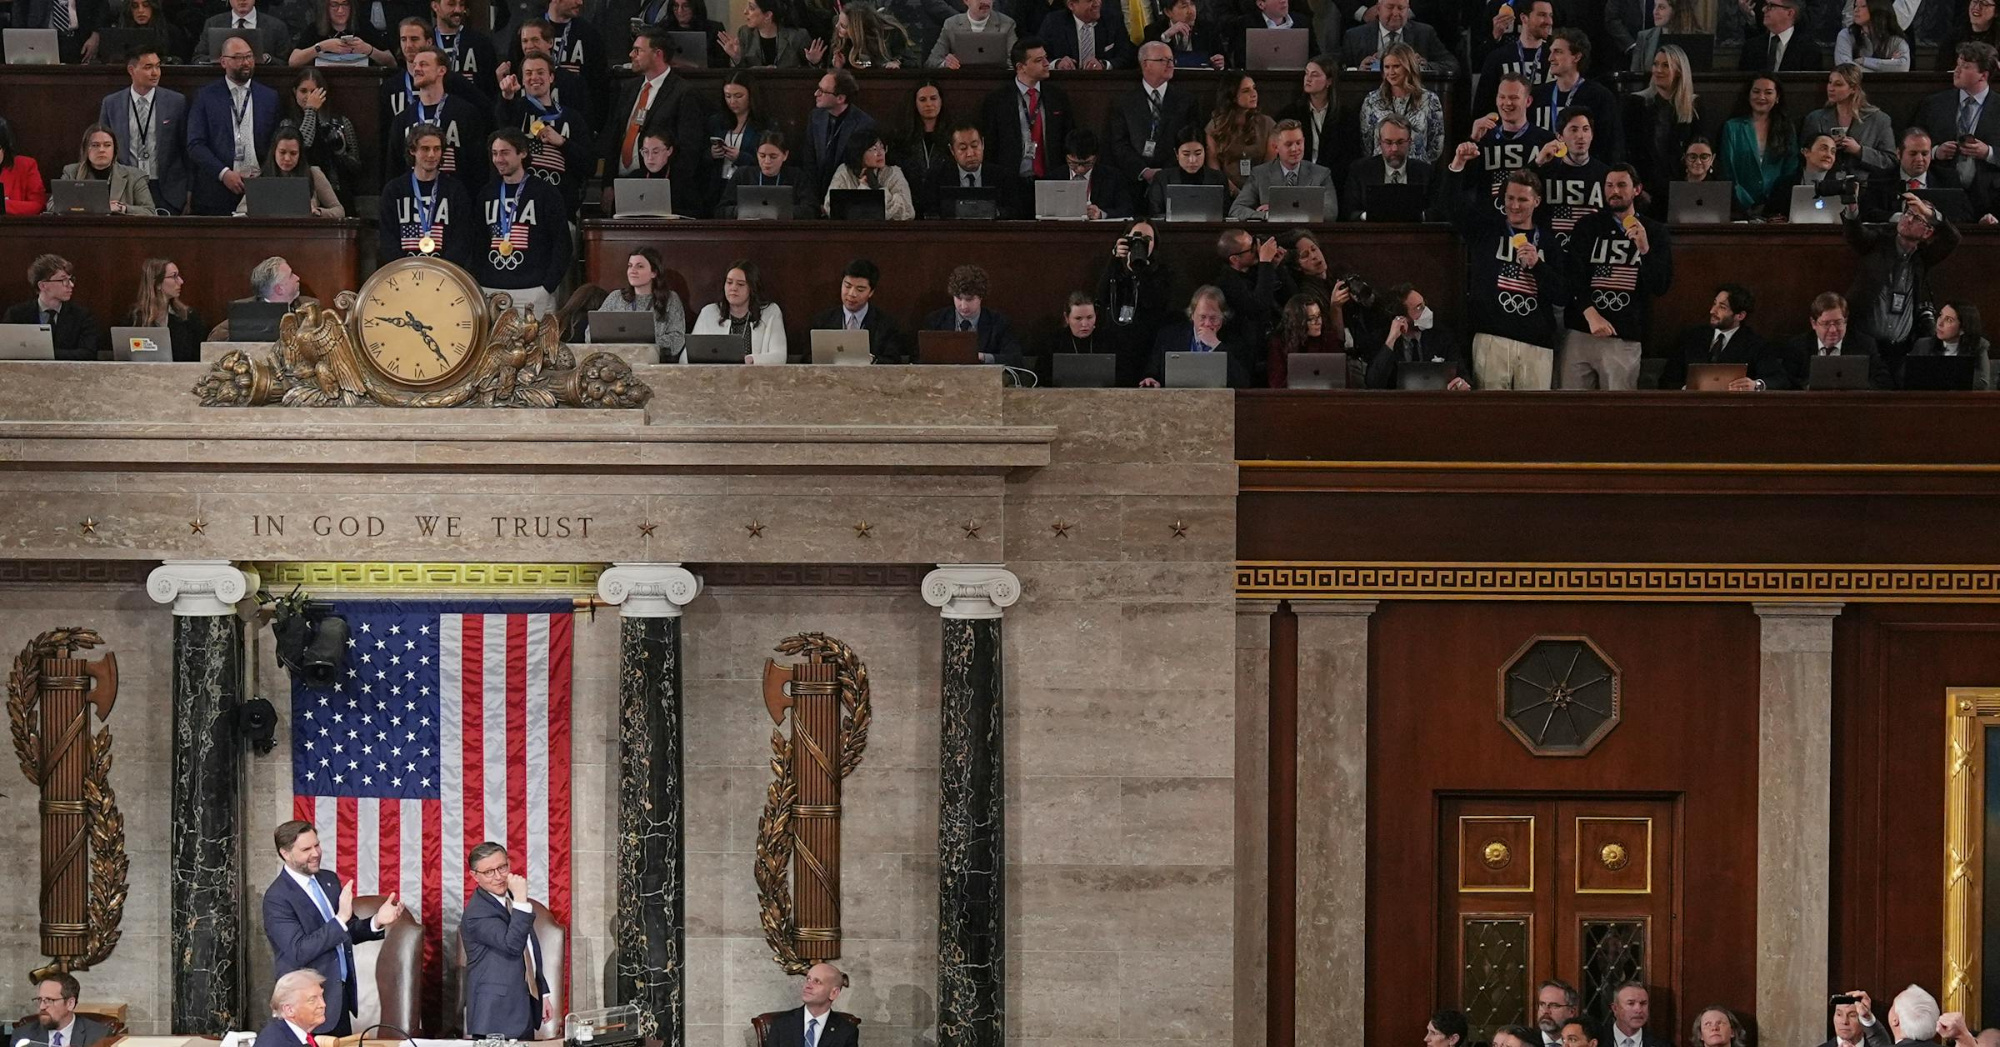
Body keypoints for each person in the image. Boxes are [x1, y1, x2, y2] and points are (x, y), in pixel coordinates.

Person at [262, 820, 403, 1036]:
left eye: (317, 845)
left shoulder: (328, 880)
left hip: (338, 999)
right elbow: (298, 951)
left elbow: (347, 930)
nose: (316, 853)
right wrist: (340, 919)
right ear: (285, 853)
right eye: (306, 849)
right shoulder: (277, 898)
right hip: (305, 1005)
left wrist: (377, 921)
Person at [1441, 155, 1566, 389]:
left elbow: (1561, 295)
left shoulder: (1549, 242)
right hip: (1491, 338)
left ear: (1537, 201)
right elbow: (1452, 207)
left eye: (1522, 199)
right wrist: (1457, 165)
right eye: (1510, 198)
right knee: (1492, 410)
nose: (1515, 206)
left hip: (1536, 343)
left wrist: (1538, 266)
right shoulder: (1487, 230)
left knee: (1535, 411)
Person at [1561, 162, 1671, 389]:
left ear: (1637, 189)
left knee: (1617, 408)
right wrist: (1591, 314)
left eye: (1622, 185)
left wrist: (1645, 250)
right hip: (1581, 330)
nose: (1614, 191)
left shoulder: (1655, 231)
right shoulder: (1587, 225)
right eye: (1609, 185)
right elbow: (1572, 275)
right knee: (1571, 405)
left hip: (1624, 337)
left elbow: (1660, 285)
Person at [1841, 188, 1956, 364]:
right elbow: (1855, 233)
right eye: (1908, 213)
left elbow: (1952, 238)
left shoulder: (1923, 257)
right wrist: (1852, 207)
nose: (1908, 219)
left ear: (1927, 233)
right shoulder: (1878, 242)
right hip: (1865, 346)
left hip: (1901, 349)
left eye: (1917, 218)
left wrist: (1930, 213)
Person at [473, 129, 571, 317]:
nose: (498, 159)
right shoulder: (487, 193)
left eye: (505, 153)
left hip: (534, 291)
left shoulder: (545, 193)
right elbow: (478, 242)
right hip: (490, 290)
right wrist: (480, 280)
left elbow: (562, 244)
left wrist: (547, 287)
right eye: (495, 153)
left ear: (523, 153)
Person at [461, 842, 551, 1039]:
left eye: (502, 867)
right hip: (495, 1016)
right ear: (474, 876)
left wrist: (541, 992)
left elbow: (529, 950)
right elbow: (513, 945)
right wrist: (521, 899)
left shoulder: (511, 901)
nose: (499, 876)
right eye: (489, 872)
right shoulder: (477, 913)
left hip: (523, 1007)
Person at [187, 33, 281, 215]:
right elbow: (195, 144)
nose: (245, 62)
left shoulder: (270, 97)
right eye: (238, 58)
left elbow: (276, 141)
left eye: (249, 56)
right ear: (223, 62)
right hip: (216, 189)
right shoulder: (205, 96)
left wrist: (264, 174)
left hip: (259, 187)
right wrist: (224, 173)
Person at [603, 28, 705, 192]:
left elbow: (689, 149)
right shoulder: (628, 88)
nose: (631, 54)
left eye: (638, 50)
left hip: (659, 185)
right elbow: (615, 137)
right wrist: (608, 184)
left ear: (658, 54)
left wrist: (667, 186)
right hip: (620, 182)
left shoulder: (684, 92)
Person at [496, 51, 594, 216]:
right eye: (528, 73)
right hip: (520, 207)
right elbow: (502, 132)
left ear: (551, 77)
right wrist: (507, 98)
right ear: (522, 80)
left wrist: (563, 142)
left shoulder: (572, 118)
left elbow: (589, 165)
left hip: (560, 207)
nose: (534, 77)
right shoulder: (515, 109)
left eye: (540, 72)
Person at [980, 38, 1070, 214]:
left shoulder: (1057, 96)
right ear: (1021, 67)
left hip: (1050, 182)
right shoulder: (997, 100)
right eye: (1038, 60)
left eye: (1045, 58)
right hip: (1011, 184)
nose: (1046, 63)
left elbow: (1066, 137)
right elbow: (990, 145)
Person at [97, 46, 190, 215]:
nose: (155, 73)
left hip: (166, 190)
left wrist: (188, 192)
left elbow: (186, 148)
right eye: (148, 67)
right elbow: (103, 145)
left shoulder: (176, 102)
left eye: (158, 66)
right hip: (127, 187)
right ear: (131, 70)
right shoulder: (112, 103)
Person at [1107, 42, 1200, 206]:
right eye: (1163, 60)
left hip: (1174, 180)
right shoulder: (1123, 102)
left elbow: (1191, 140)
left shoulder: (1186, 101)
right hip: (1133, 183)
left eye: (1171, 59)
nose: (1170, 64)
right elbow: (1119, 143)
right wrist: (1144, 171)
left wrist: (1165, 172)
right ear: (1145, 64)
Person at [386, 45, 491, 188]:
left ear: (441, 70)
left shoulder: (465, 113)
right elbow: (394, 168)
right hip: (414, 195)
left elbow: (478, 164)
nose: (416, 69)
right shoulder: (402, 119)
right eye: (415, 65)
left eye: (423, 64)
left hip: (455, 195)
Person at [378, 123, 477, 267]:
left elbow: (462, 237)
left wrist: (442, 268)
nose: (431, 155)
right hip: (404, 272)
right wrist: (404, 268)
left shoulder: (455, 190)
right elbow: (387, 238)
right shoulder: (394, 190)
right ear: (412, 150)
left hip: (444, 272)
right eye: (425, 149)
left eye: (437, 149)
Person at [1916, 43, 2000, 195]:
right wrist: (1934, 152)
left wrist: (1988, 152)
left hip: (1991, 194)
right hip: (1942, 190)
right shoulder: (1934, 104)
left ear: (1983, 75)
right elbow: (1912, 139)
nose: (1957, 71)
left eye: (1965, 66)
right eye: (1957, 64)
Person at [1097, 220, 1174, 383]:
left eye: (1148, 239)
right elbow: (1102, 297)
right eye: (1136, 238)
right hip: (1117, 345)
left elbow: (1155, 303)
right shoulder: (1115, 267)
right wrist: (1115, 260)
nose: (1141, 243)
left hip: (1147, 346)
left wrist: (1139, 272)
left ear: (1155, 244)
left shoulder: (1162, 272)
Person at [1661, 283, 1778, 390]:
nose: (1712, 311)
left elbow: (1778, 379)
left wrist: (1756, 385)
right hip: (1691, 404)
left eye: (1722, 307)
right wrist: (1686, 389)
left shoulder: (1756, 344)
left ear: (1740, 316)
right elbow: (1667, 380)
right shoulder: (1691, 337)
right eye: (1714, 303)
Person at [275, 69, 363, 210]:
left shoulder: (340, 121)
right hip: (303, 191)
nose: (309, 97)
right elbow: (303, 144)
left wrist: (340, 152)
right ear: (295, 92)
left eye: (314, 92)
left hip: (337, 189)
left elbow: (356, 165)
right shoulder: (288, 124)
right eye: (303, 91)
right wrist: (310, 110)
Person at [1464, 74, 1556, 206]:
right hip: (1488, 216)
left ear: (1528, 101)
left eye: (1514, 98)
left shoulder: (1546, 141)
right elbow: (1466, 183)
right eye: (1502, 97)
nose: (1507, 103)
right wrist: (1474, 140)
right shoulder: (1483, 138)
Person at [1531, 30, 1620, 161]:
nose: (1550, 58)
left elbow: (1610, 146)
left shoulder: (1600, 97)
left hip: (1583, 171)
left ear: (1577, 57)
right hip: (1544, 169)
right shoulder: (1538, 95)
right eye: (1551, 52)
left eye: (1558, 52)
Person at [1140, 285, 1254, 387]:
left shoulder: (1235, 340)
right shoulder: (1170, 336)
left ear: (1223, 317)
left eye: (1213, 318)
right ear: (1192, 315)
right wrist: (1151, 379)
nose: (1207, 324)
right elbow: (1152, 372)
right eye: (1202, 317)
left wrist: (1216, 345)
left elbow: (1242, 382)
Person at [1717, 75, 1798, 218]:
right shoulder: (1732, 127)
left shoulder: (1786, 128)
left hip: (1776, 208)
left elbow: (1790, 168)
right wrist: (1746, 203)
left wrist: (1772, 202)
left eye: (1768, 92)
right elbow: (1728, 170)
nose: (1761, 97)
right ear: (1748, 95)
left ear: (1777, 97)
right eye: (1756, 91)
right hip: (1738, 208)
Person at [1623, 44, 1698, 198]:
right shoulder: (1636, 103)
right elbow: (1627, 150)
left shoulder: (1694, 106)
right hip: (1644, 189)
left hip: (1681, 189)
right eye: (1655, 64)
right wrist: (1637, 187)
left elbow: (1699, 148)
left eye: (1665, 65)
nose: (1657, 70)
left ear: (1679, 71)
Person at [1366, 281, 1471, 388]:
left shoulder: (1441, 336)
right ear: (1402, 317)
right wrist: (1391, 340)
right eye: (1419, 308)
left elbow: (1463, 375)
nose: (1427, 311)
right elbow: (1373, 383)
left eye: (1425, 305)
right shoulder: (1382, 338)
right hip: (1398, 398)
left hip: (1435, 396)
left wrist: (1461, 384)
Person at [1229, 118, 1336, 219]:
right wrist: (1267, 215)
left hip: (1308, 231)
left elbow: (1330, 212)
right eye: (1288, 144)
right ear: (1275, 147)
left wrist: (1279, 210)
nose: (1295, 149)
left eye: (1298, 143)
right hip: (1273, 231)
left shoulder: (1321, 174)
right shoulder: (1260, 174)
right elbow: (1237, 209)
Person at [592, 247, 687, 361]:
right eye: (630, 266)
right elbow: (591, 333)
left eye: (640, 266)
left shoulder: (670, 299)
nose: (633, 271)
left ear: (654, 272)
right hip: (616, 362)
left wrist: (642, 344)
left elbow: (677, 339)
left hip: (654, 363)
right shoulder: (616, 297)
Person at [1800, 64, 1893, 178]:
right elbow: (1803, 155)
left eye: (1838, 84)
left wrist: (1859, 151)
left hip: (1865, 185)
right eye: (1830, 82)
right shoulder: (1815, 118)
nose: (1831, 88)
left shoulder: (1878, 120)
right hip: (1824, 183)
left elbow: (1890, 162)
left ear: (1853, 89)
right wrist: (1828, 146)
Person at [1359, 42, 1445, 164]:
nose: (1391, 72)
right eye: (1387, 67)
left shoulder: (1430, 99)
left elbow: (1436, 145)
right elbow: (1366, 143)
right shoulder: (1371, 100)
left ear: (1408, 67)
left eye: (1396, 66)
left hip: (1418, 169)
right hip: (1381, 169)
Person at [1533, 109, 1609, 248]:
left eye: (1585, 129)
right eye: (1574, 130)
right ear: (1560, 136)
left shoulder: (1605, 174)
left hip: (1591, 251)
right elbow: (1508, 195)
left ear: (1592, 135)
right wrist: (1537, 163)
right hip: (1550, 250)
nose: (1580, 136)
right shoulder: (1545, 171)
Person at [809, 258, 909, 363]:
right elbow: (808, 359)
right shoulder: (822, 321)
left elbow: (893, 360)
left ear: (871, 292)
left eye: (860, 289)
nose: (852, 294)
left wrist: (873, 360)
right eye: (847, 286)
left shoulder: (886, 325)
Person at [1777, 291, 1883, 388]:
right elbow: (1787, 382)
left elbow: (1882, 380)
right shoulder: (1797, 347)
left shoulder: (1864, 344)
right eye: (1826, 324)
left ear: (1846, 321)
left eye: (1838, 322)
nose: (1833, 330)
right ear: (1814, 323)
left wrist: (1858, 388)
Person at [6, 257, 104, 361]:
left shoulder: (82, 316)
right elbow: (6, 350)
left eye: (71, 279)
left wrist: (43, 353)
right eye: (63, 280)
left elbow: (88, 353)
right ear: (43, 285)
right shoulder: (16, 314)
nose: (71, 285)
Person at [923, 264, 1023, 366]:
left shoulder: (999, 323)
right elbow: (920, 360)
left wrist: (982, 357)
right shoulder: (935, 320)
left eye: (969, 299)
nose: (963, 306)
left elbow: (1016, 360)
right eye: (958, 298)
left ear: (981, 297)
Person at [691, 260, 788, 364]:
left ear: (752, 288)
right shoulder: (709, 312)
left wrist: (751, 360)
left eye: (740, 284)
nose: (733, 288)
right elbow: (687, 356)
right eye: (729, 282)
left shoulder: (770, 312)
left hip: (756, 374)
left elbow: (780, 356)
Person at [233, 127, 343, 215]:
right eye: (282, 152)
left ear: (300, 154)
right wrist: (266, 209)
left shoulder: (313, 174)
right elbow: (241, 208)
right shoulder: (262, 175)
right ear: (274, 151)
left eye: (293, 153)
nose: (287, 158)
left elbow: (339, 210)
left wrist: (318, 212)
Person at [801, 70, 878, 197]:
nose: (816, 94)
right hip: (815, 193)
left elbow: (858, 171)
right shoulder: (815, 116)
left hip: (846, 195)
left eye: (822, 91)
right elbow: (809, 162)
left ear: (840, 98)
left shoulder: (864, 125)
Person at [1472, 0, 1552, 117]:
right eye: (1542, 15)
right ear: (1524, 18)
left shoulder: (1554, 57)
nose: (1549, 21)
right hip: (1505, 122)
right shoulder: (1497, 58)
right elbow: (1482, 108)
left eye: (1550, 16)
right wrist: (1494, 37)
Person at [56, 124, 157, 215]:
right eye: (95, 145)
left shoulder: (135, 176)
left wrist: (121, 208)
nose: (101, 150)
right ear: (85, 149)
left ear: (114, 149)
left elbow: (149, 211)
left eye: (107, 145)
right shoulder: (71, 172)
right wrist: (99, 206)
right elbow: (53, 205)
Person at [1343, 115, 1430, 219]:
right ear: (1380, 142)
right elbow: (1349, 212)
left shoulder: (1426, 173)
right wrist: (1370, 216)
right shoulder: (1360, 170)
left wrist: (1417, 216)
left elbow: (1436, 212)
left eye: (1400, 142)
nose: (1394, 149)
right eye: (1388, 142)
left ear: (1410, 142)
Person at [704, 71, 770, 205]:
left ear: (751, 95)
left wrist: (740, 157)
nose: (732, 101)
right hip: (717, 186)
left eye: (738, 96)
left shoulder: (764, 125)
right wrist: (711, 154)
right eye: (728, 96)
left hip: (748, 187)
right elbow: (698, 155)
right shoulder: (716, 121)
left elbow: (769, 160)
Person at [716, 131, 816, 217]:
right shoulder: (742, 175)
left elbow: (812, 210)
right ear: (756, 154)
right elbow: (721, 211)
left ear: (785, 155)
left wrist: (776, 212)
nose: (767, 161)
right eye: (762, 156)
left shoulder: (796, 176)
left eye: (773, 156)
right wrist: (745, 211)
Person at [1205, 73, 1274, 197]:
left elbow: (1269, 166)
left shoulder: (1267, 124)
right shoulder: (1215, 127)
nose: (1254, 94)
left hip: (1260, 192)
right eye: (1246, 91)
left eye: (1254, 88)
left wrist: (1252, 195)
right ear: (1232, 96)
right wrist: (1234, 192)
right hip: (1226, 192)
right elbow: (1214, 168)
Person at [1340, 0, 1455, 74]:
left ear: (1408, 10)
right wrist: (1358, 70)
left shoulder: (1424, 33)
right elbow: (1339, 69)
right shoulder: (1355, 36)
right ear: (1378, 9)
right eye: (1390, 7)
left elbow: (1452, 65)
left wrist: (1425, 66)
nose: (1395, 13)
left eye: (1401, 8)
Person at [1865, 129, 1957, 219]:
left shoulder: (1947, 178)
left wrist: (1931, 215)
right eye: (1913, 154)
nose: (1919, 159)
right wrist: (1901, 218)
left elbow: (1957, 215)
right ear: (1899, 154)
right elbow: (1868, 212)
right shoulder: (1880, 178)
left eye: (1924, 154)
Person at [823, 130, 915, 219]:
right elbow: (830, 207)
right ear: (859, 152)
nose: (880, 153)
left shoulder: (894, 173)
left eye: (882, 147)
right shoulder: (844, 172)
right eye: (874, 149)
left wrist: (878, 189)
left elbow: (908, 212)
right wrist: (864, 188)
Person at [127, 258, 205, 362]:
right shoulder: (135, 317)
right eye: (174, 276)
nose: (181, 281)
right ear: (157, 284)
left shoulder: (188, 317)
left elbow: (198, 357)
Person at [925, 122, 1011, 216]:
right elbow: (931, 212)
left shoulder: (1002, 176)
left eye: (974, 146)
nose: (970, 153)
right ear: (952, 150)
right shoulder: (937, 177)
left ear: (983, 144)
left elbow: (1013, 210)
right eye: (963, 148)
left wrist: (993, 212)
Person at [763, 964, 859, 1047]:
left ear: (833, 993)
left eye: (817, 981)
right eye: (808, 979)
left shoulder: (846, 1031)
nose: (808, 985)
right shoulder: (781, 1023)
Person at [1277, 55, 1342, 170]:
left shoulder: (1344, 116)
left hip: (1332, 176)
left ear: (1329, 81)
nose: (1308, 79)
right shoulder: (1291, 113)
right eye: (1306, 73)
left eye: (1315, 75)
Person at [1909, 301, 1992, 389]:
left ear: (1963, 329)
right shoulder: (1922, 345)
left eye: (1949, 320)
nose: (1940, 323)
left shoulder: (1978, 346)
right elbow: (1908, 380)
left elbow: (1982, 383)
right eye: (1940, 315)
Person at [11, 975, 111, 1047]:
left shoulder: (99, 1035)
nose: (42, 1006)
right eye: (40, 1000)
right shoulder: (22, 1035)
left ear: (70, 1004)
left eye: (49, 1000)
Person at [1266, 292, 1342, 386]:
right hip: (1293, 394)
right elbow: (1276, 383)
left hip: (1327, 393)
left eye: (1319, 316)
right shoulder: (1279, 343)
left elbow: (1341, 378)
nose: (1318, 322)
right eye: (1311, 319)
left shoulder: (1328, 338)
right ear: (1298, 322)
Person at [1144, 130, 1228, 214]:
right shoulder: (1162, 178)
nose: (1192, 160)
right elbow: (1155, 214)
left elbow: (1224, 214)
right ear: (1177, 154)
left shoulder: (1218, 178)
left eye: (1198, 153)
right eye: (1186, 154)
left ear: (1205, 152)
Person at [430, 0, 499, 99]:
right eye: (451, 4)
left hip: (472, 106)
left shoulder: (480, 42)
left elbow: (490, 88)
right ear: (435, 6)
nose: (458, 10)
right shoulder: (426, 42)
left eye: (461, 5)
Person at [288, 0, 393, 65]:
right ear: (326, 7)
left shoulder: (363, 26)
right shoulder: (315, 28)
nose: (340, 10)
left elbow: (391, 62)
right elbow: (293, 61)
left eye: (345, 4)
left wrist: (368, 50)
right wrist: (321, 47)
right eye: (334, 5)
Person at [1059, 128, 1131, 218]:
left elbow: (1126, 210)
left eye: (1087, 163)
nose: (1080, 169)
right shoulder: (1053, 178)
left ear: (1096, 157)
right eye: (1073, 163)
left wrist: (1102, 214)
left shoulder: (1113, 177)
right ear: (1066, 157)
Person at [196, 0, 297, 63]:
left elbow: (287, 62)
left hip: (263, 81)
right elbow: (197, 58)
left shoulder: (276, 26)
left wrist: (267, 59)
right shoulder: (213, 23)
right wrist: (219, 60)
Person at [1040, 0, 1131, 69]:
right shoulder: (1054, 22)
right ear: (1072, 5)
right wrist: (1057, 63)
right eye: (1090, 0)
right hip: (1064, 83)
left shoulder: (1112, 20)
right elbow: (1038, 55)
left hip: (1105, 83)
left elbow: (1127, 56)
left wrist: (1104, 64)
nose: (1097, 3)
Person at [721, 0, 814, 67]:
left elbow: (810, 72)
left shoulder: (797, 36)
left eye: (751, 8)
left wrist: (814, 62)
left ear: (768, 15)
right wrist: (737, 57)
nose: (745, 12)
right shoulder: (745, 33)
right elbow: (742, 75)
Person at [893, 79, 953, 182]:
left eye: (933, 98)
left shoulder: (953, 134)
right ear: (915, 103)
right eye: (923, 100)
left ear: (941, 101)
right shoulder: (902, 136)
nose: (929, 104)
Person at [928, 0, 1018, 67]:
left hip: (996, 80)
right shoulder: (951, 24)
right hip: (962, 80)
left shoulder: (1007, 24)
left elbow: (1015, 61)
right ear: (966, 1)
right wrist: (946, 64)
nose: (985, 2)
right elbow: (932, 61)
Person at [833, 0, 920, 68]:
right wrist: (839, 67)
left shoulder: (890, 34)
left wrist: (897, 62)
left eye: (843, 26)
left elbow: (912, 61)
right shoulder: (840, 38)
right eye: (838, 22)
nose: (837, 26)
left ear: (858, 30)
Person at [253, 971, 328, 1047]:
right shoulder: (279, 1043)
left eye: (321, 996)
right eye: (312, 1000)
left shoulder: (288, 1032)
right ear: (289, 1010)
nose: (323, 1004)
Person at [1742, 0, 1823, 71]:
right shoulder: (1750, 47)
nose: (1763, 9)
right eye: (1765, 5)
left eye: (1770, 6)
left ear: (1789, 13)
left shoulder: (1809, 51)